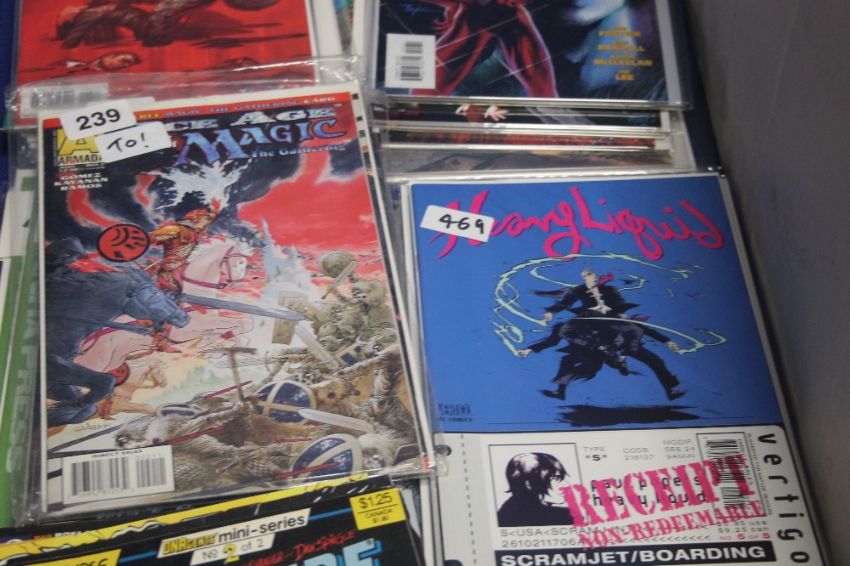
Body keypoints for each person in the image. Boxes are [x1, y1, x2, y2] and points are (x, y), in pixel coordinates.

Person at [519, 268, 684, 401]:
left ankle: (671, 389)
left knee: (654, 359)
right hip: (596, 337)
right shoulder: (578, 296)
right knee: (571, 359)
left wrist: (667, 341)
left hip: (617, 335)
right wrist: (549, 313)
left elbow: (635, 322)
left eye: (595, 277)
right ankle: (561, 391)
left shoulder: (610, 292)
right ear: (584, 278)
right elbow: (562, 310)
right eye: (590, 277)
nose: (594, 280)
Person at [497, 452, 573, 527]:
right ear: (529, 484)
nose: (566, 485)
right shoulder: (561, 518)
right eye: (555, 478)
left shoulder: (505, 514)